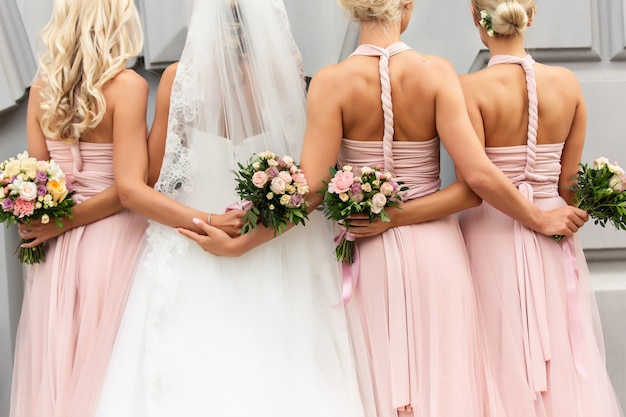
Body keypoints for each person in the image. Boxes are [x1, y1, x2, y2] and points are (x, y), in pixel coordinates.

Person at [181, 1, 593, 416]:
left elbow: (311, 194)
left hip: (367, 256)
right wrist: (539, 216)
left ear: (351, 10)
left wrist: (243, 243)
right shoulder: (438, 74)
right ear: (407, 6)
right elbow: (474, 187)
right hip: (438, 256)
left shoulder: (331, 83)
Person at [94, 1, 374, 416]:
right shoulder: (287, 75)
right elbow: (310, 183)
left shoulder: (179, 79)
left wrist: (205, 218)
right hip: (272, 248)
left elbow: (151, 179)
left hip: (191, 244)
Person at [457, 1, 625, 416]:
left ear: (477, 16)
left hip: (490, 231)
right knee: (561, 348)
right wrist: (604, 193)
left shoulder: (469, 89)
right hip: (553, 233)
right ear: (530, 15)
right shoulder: (568, 84)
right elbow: (570, 189)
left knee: (496, 348)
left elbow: (473, 181)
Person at [9, 1, 148, 417]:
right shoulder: (128, 86)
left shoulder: (40, 89)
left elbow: (39, 181)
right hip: (114, 239)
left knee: (57, 364)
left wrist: (53, 225)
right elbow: (129, 189)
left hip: (54, 249)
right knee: (109, 365)